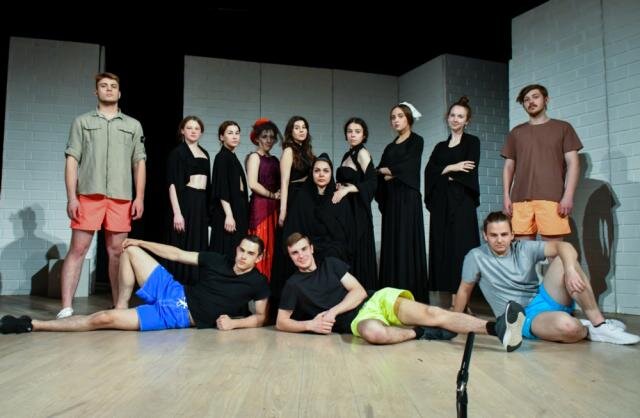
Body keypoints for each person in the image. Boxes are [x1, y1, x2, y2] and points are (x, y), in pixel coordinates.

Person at [275, 233, 526, 352]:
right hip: (356, 321)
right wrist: (310, 325)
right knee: (374, 333)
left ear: (311, 248)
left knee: (432, 312)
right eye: (295, 253)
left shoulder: (331, 264)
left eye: (303, 249)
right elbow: (281, 322)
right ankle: (420, 332)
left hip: (377, 299)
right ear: (290, 257)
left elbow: (358, 292)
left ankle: (496, 328)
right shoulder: (293, 285)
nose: (301, 256)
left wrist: (331, 311)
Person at [1, 236, 269, 334]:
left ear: (259, 258)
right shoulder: (218, 260)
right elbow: (176, 254)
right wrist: (141, 242)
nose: (243, 256)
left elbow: (260, 317)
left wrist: (234, 324)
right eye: (241, 250)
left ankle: (33, 324)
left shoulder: (258, 283)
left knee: (102, 319)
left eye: (250, 254)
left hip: (178, 314)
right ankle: (121, 304)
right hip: (174, 290)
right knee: (130, 250)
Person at [453, 212, 639, 345]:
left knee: (564, 259)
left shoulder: (523, 248)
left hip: (545, 297)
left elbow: (563, 247)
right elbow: (464, 290)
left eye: (504, 234)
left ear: (512, 235)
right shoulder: (475, 257)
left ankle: (599, 324)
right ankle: (587, 329)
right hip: (520, 317)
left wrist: (570, 269)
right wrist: (454, 321)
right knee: (570, 328)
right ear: (485, 236)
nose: (499, 240)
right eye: (493, 235)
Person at [57, 72, 146, 319]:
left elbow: (139, 162)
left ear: (119, 92)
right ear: (96, 92)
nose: (108, 89)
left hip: (121, 197)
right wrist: (71, 197)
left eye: (113, 86)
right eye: (103, 86)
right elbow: (72, 160)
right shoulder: (82, 122)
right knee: (78, 249)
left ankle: (119, 306)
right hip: (88, 195)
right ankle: (66, 307)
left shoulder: (133, 125)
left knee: (117, 253)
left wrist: (139, 197)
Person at [502, 84, 582, 242]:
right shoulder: (516, 132)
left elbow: (573, 164)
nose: (530, 102)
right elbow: (509, 166)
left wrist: (568, 196)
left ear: (546, 100)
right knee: (523, 253)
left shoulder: (563, 128)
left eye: (535, 97)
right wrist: (506, 196)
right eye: (526, 99)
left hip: (552, 198)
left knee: (554, 252)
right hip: (520, 200)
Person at [424, 97, 480, 309]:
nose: (456, 119)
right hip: (442, 204)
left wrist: (444, 173)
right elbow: (429, 172)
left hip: (462, 202)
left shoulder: (472, 142)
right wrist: (451, 167)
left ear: (467, 120)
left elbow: (470, 170)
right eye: (453, 115)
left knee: (462, 248)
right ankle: (451, 302)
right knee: (444, 249)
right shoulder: (440, 147)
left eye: (460, 116)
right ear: (447, 118)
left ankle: (462, 302)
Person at [376, 102, 428, 302]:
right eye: (393, 117)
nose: (396, 120)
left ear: (409, 118)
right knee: (392, 243)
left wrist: (390, 172)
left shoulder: (417, 141)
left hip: (408, 199)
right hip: (391, 200)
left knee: (407, 241)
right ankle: (392, 295)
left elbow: (409, 167)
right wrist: (388, 172)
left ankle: (411, 293)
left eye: (400, 116)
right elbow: (379, 170)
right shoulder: (390, 147)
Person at [284, 154, 354, 266]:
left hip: (333, 253)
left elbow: (346, 235)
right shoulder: (302, 198)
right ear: (312, 173)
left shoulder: (339, 198)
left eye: (326, 171)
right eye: (317, 171)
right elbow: (294, 230)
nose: (321, 174)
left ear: (331, 174)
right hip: (307, 251)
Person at [333, 117, 378, 290]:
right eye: (350, 131)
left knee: (358, 249)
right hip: (347, 210)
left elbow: (372, 182)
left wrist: (348, 189)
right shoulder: (348, 154)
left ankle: (362, 292)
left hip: (358, 210)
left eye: (357, 132)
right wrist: (339, 186)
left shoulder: (362, 153)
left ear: (364, 135)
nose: (353, 135)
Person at [166, 116, 210, 284]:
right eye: (189, 128)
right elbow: (172, 185)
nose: (193, 131)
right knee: (182, 243)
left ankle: (195, 285)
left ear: (201, 132)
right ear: (182, 131)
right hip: (186, 201)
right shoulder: (177, 153)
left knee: (198, 243)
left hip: (201, 202)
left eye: (197, 128)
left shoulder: (205, 153)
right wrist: (177, 213)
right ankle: (178, 285)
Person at [246, 118, 282, 282]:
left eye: (272, 137)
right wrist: (272, 195)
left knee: (273, 246)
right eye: (265, 136)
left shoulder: (275, 159)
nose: (268, 140)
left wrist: (280, 192)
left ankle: (269, 284)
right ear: (257, 138)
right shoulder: (254, 157)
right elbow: (253, 184)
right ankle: (257, 281)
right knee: (261, 243)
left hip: (274, 207)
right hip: (261, 206)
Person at [209, 121, 248, 259]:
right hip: (227, 211)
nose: (235, 136)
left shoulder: (232, 156)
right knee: (227, 249)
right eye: (230, 133)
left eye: (237, 133)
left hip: (237, 208)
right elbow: (221, 188)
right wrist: (229, 215)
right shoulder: (222, 157)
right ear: (222, 137)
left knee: (237, 247)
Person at [278, 116, 315, 228]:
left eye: (304, 127)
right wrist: (283, 209)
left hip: (308, 195)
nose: (301, 130)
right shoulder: (289, 151)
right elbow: (284, 182)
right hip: (295, 196)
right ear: (291, 132)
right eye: (297, 128)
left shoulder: (307, 151)